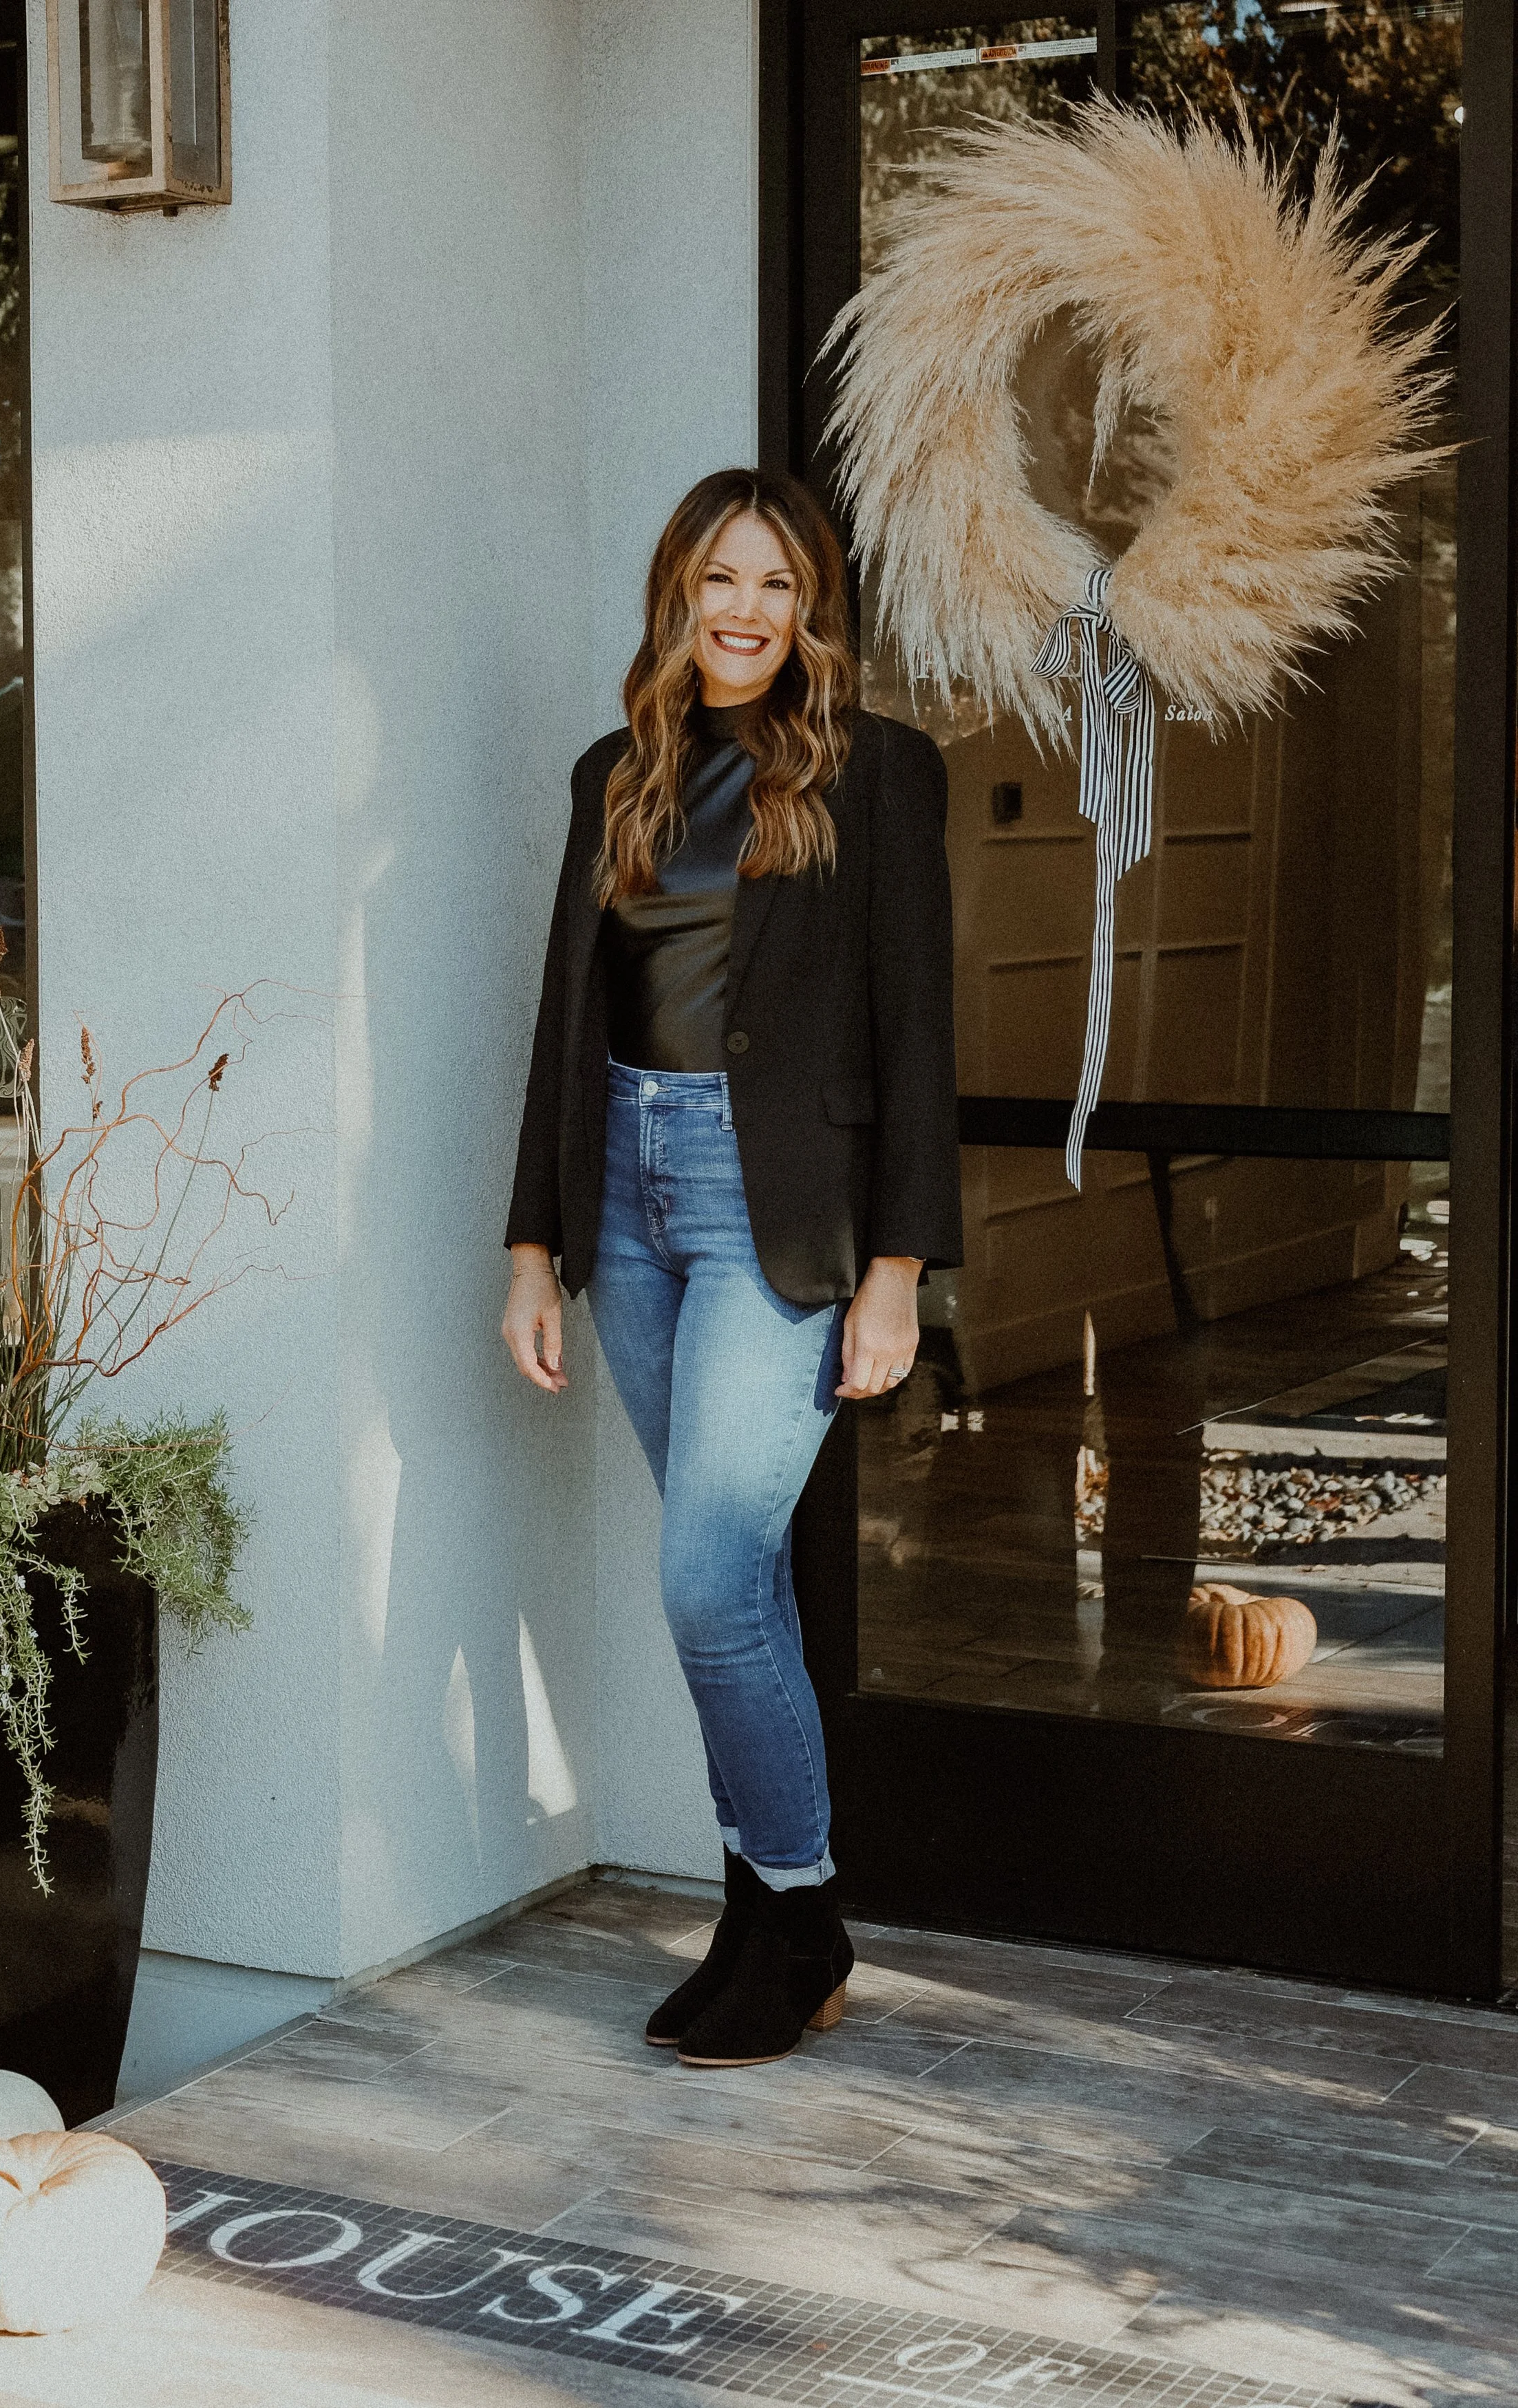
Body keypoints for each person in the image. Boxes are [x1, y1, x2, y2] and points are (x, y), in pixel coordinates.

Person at [502, 466, 960, 2067]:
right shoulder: (612, 774)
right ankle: (758, 1917)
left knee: (706, 1576)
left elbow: (916, 1031)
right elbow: (569, 1018)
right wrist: (531, 1244)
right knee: (738, 1582)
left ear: (811, 607)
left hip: (776, 1209)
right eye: (720, 581)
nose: (746, 611)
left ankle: (802, 1905)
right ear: (677, 596)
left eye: (775, 585)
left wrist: (896, 1268)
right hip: (620, 1190)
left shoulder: (878, 774)